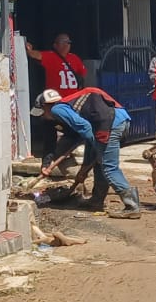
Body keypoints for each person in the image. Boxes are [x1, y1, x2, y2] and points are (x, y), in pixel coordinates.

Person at [36, 87, 142, 218]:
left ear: (46, 106)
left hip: (109, 124)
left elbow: (85, 128)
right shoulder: (70, 107)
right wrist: (84, 167)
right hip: (120, 120)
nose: (42, 117)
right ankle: (97, 200)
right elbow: (87, 135)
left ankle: (132, 206)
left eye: (41, 112)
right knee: (100, 164)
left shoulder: (57, 109)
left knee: (109, 167)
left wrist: (90, 161)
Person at [25, 33, 86, 158]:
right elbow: (35, 55)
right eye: (63, 42)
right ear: (56, 45)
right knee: (51, 127)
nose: (67, 45)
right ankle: (50, 157)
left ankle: (67, 151)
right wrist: (27, 49)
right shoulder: (50, 57)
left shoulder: (74, 58)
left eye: (68, 42)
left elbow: (82, 74)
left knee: (73, 127)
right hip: (56, 102)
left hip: (73, 102)